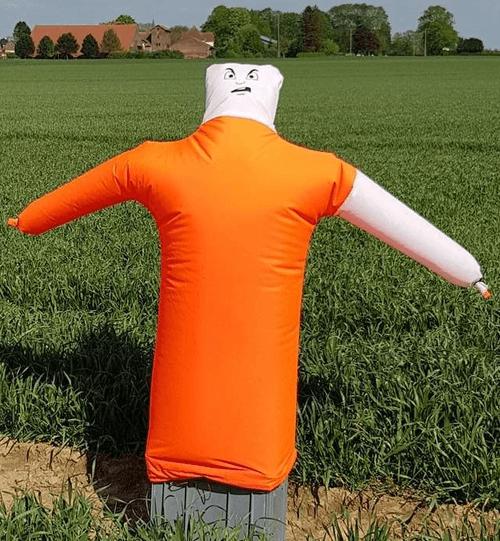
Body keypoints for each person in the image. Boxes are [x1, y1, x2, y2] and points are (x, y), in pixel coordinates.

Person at [7, 63, 489, 537]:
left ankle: (177, 511)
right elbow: (404, 225)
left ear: (212, 96)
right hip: (259, 423)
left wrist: (29, 220)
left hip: (179, 417)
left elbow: (84, 190)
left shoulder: (158, 162)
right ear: (270, 98)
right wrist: (468, 273)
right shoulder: (317, 171)